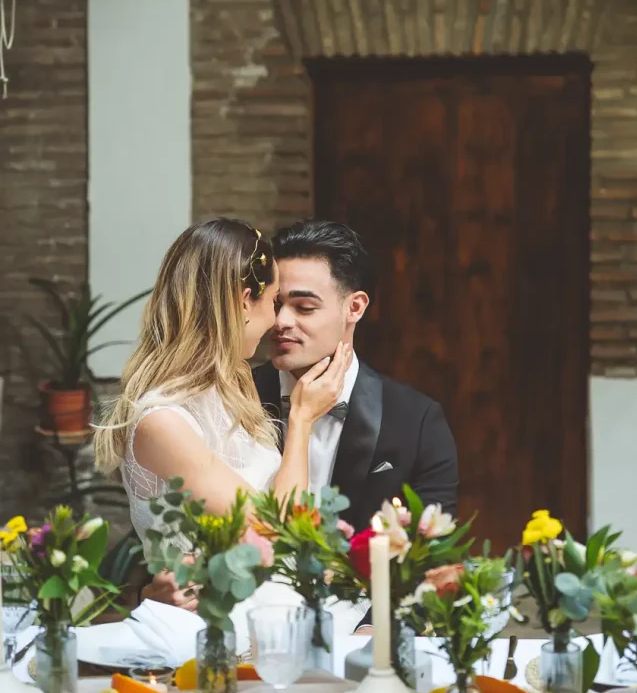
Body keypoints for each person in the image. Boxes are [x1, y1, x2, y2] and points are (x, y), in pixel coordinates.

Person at [94, 217, 351, 608]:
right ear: (244, 300)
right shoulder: (162, 420)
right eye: (273, 302)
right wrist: (301, 421)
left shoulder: (233, 390)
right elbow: (275, 534)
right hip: (212, 630)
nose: (277, 321)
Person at [253, 220, 459, 534]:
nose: (280, 321)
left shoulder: (416, 421)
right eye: (276, 304)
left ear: (355, 307)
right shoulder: (238, 397)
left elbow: (433, 552)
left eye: (304, 307)